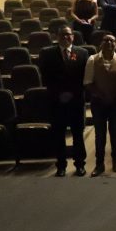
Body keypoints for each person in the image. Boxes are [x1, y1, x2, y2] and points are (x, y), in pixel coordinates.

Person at [38, 25, 89, 177]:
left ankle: (80, 165)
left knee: (78, 135)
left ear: (73, 36)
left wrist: (71, 94)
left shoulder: (82, 53)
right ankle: (61, 166)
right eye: (62, 35)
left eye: (68, 34)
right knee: (58, 135)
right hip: (56, 101)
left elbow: (84, 78)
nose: (66, 37)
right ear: (57, 37)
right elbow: (46, 77)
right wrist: (61, 94)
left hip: (76, 101)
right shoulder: (47, 53)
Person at [84, 33, 116, 177]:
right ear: (101, 43)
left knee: (115, 133)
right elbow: (88, 82)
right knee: (100, 134)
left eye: (112, 41)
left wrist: (114, 95)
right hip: (98, 102)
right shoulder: (92, 59)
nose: (109, 43)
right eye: (106, 40)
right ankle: (99, 164)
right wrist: (103, 96)